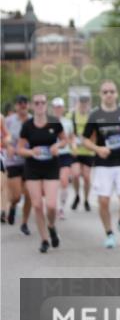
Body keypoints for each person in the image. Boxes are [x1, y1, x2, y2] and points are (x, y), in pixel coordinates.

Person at [81, 80, 120, 248]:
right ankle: (109, 233)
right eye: (105, 92)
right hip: (102, 165)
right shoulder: (95, 115)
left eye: (112, 91)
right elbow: (84, 139)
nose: (109, 94)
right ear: (100, 95)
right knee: (104, 201)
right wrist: (97, 148)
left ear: (117, 93)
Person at [17, 94, 70, 252]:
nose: (39, 105)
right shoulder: (27, 125)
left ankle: (52, 226)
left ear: (46, 105)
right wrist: (31, 152)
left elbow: (65, 140)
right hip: (32, 167)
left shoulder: (54, 121)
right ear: (33, 106)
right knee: (37, 205)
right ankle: (44, 239)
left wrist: (57, 146)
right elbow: (20, 149)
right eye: (36, 103)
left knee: (51, 205)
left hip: (51, 166)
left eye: (42, 102)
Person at [5, 95, 32, 231]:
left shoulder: (33, 120)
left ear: (28, 105)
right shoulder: (9, 121)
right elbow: (4, 137)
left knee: (29, 194)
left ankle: (24, 223)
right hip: (13, 161)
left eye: (25, 103)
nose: (22, 105)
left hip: (30, 161)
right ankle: (13, 206)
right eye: (20, 103)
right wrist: (8, 146)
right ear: (16, 106)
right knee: (16, 196)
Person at [51, 97, 75, 219]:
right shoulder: (48, 122)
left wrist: (73, 146)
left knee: (64, 181)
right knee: (53, 184)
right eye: (56, 107)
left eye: (60, 107)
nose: (58, 109)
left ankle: (61, 208)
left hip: (65, 154)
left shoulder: (68, 122)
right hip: (51, 155)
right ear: (52, 108)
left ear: (63, 108)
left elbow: (71, 137)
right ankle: (52, 206)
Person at [70, 93, 95, 212]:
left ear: (89, 104)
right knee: (75, 174)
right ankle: (77, 195)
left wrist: (91, 144)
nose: (84, 104)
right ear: (78, 103)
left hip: (88, 151)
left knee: (86, 177)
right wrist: (73, 145)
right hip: (75, 150)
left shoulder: (92, 116)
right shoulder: (72, 115)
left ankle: (86, 199)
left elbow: (95, 133)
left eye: (86, 102)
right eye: (82, 102)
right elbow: (68, 132)